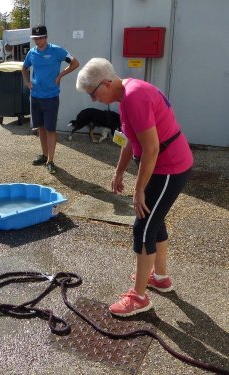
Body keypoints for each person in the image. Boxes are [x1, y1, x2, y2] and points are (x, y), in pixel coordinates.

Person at [76, 58, 193, 317]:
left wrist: (139, 190)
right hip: (160, 165)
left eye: (93, 94)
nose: (93, 101)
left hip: (169, 167)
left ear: (106, 83)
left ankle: (139, 298)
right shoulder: (126, 95)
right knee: (155, 221)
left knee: (143, 227)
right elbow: (131, 141)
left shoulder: (135, 97)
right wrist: (118, 172)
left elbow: (151, 148)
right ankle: (160, 278)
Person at [21, 25, 80, 174]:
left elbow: (75, 63)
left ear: (46, 37)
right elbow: (24, 68)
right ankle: (44, 155)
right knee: (40, 127)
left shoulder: (57, 51)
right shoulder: (32, 53)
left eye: (40, 38)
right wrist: (27, 83)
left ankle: (51, 161)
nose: (38, 41)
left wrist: (60, 75)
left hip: (51, 98)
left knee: (50, 129)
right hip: (35, 97)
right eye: (35, 38)